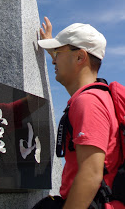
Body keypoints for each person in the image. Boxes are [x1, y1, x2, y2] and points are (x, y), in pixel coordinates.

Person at [33, 17, 124, 209]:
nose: (54, 60)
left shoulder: (87, 102)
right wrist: (54, 49)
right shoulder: (98, 94)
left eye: (58, 52)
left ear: (80, 57)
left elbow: (91, 174)